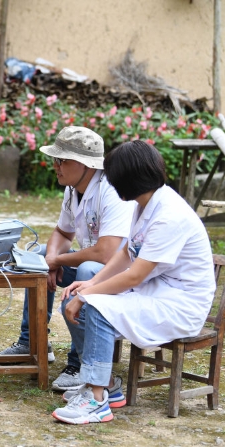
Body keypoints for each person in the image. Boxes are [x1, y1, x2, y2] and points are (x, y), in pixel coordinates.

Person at [53, 140, 215, 424]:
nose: (110, 184)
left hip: (180, 305)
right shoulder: (145, 204)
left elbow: (135, 275)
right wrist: (90, 285)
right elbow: (127, 253)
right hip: (156, 292)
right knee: (74, 302)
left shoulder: (169, 215)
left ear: (127, 180)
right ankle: (106, 384)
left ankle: (97, 400)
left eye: (113, 178)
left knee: (96, 308)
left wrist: (88, 294)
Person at [0, 126, 134, 392]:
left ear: (86, 164)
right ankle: (31, 341)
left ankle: (80, 363)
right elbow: (62, 232)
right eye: (55, 160)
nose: (55, 166)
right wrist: (50, 259)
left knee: (87, 269)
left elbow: (106, 253)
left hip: (120, 274)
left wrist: (58, 262)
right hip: (92, 266)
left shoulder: (111, 190)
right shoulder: (73, 188)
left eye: (62, 160)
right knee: (38, 256)